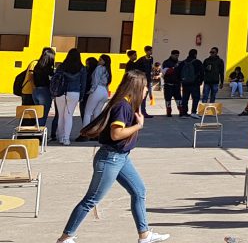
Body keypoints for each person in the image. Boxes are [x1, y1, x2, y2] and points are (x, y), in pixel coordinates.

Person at [56, 69, 169, 243]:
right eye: (145, 87)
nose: (147, 90)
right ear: (137, 87)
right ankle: (66, 237)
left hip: (121, 157)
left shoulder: (127, 103)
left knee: (139, 191)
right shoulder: (122, 106)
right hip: (111, 158)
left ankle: (144, 235)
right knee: (92, 199)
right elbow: (116, 134)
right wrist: (139, 126)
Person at [53, 48, 87, 145]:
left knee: (60, 116)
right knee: (68, 115)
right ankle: (66, 139)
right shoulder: (82, 68)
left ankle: (60, 137)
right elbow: (83, 83)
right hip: (74, 93)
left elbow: (56, 79)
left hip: (60, 93)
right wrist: (82, 96)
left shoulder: (61, 66)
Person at [82, 54, 113, 125]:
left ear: (105, 61)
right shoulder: (108, 70)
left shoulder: (99, 68)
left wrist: (91, 90)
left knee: (88, 112)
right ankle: (96, 131)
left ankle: (85, 131)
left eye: (100, 60)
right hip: (105, 91)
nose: (99, 61)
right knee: (97, 112)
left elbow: (95, 80)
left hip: (97, 89)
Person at [177, 49, 202, 117]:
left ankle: (184, 112)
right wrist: (200, 81)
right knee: (196, 98)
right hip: (195, 84)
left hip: (185, 83)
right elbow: (202, 72)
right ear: (195, 54)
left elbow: (178, 72)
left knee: (185, 98)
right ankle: (193, 112)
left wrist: (181, 80)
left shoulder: (183, 63)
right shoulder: (198, 62)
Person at [132, 46, 156, 118]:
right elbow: (136, 69)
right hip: (142, 80)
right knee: (140, 96)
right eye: (150, 51)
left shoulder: (151, 58)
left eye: (151, 50)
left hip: (148, 80)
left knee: (144, 97)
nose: (151, 52)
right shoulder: (141, 59)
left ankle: (143, 112)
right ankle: (136, 112)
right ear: (146, 51)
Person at [160, 50, 181, 117]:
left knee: (178, 99)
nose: (177, 57)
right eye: (175, 55)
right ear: (172, 55)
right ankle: (168, 112)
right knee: (168, 99)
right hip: (168, 84)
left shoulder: (179, 62)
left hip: (177, 84)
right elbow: (165, 72)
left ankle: (181, 111)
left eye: (178, 55)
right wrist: (174, 68)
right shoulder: (166, 62)